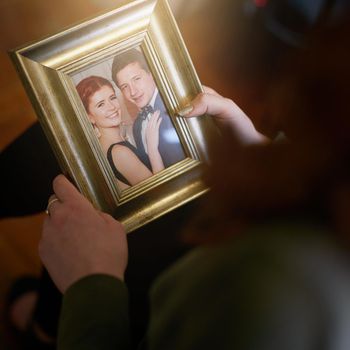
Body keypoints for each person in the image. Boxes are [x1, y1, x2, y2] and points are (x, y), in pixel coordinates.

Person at [38, 9, 350, 350]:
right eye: (119, 90)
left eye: (127, 86)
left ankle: (39, 322)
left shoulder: (272, 293)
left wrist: (91, 287)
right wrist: (264, 147)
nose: (125, 96)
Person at [76, 76, 164, 189]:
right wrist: (152, 150)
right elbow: (159, 192)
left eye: (112, 98)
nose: (112, 107)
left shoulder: (107, 147)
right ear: (89, 117)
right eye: (100, 104)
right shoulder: (120, 153)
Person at [111, 49, 186, 169]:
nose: (133, 91)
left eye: (136, 79)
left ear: (151, 74)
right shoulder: (137, 126)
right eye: (125, 86)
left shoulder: (174, 106)